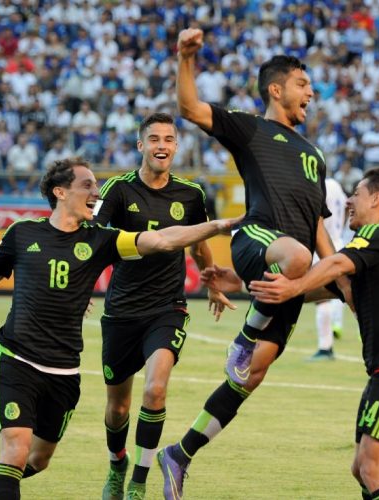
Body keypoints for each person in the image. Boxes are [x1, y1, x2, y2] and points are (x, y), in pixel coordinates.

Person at [0, 158, 238, 500]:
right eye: (88, 185)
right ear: (60, 192)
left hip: (64, 370)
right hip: (16, 359)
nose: (97, 192)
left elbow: (162, 240)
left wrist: (219, 225)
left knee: (38, 460)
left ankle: (8, 472)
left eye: (97, 185)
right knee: (15, 449)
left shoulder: (103, 239)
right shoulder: (22, 234)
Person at [157, 29, 335, 499]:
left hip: (287, 268)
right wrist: (185, 58)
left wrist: (338, 269)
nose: (310, 93)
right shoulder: (251, 128)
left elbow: (318, 229)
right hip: (258, 236)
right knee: (297, 256)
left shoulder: (315, 156)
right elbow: (191, 108)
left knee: (250, 378)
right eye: (302, 84)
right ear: (276, 90)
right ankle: (245, 336)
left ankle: (179, 453)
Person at [249, 168, 379, 500]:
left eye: (357, 193)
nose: (348, 200)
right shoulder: (374, 252)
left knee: (373, 471)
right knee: (362, 469)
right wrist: (245, 285)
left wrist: (292, 286)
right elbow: (323, 286)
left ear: (377, 199)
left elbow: (332, 265)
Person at [93, 113, 232, 500]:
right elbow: (92, 242)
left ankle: (138, 481)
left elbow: (199, 242)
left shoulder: (191, 195)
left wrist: (211, 280)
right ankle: (117, 464)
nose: (162, 146)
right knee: (118, 408)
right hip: (121, 310)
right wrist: (81, 285)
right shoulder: (118, 190)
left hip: (167, 308)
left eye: (169, 139)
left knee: (155, 391)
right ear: (141, 146)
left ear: (176, 146)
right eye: (153, 139)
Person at [309, 176, 348, 361]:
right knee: (342, 291)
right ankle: (337, 324)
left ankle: (325, 347)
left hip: (323, 244)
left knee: (321, 297)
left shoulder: (319, 187)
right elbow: (347, 207)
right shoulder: (336, 185)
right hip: (339, 241)